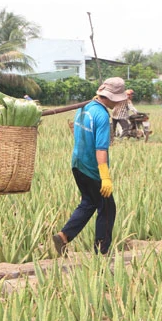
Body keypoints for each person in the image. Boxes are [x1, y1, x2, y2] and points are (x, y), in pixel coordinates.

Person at [52, 77, 127, 256]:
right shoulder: (101, 116)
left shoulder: (84, 108)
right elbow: (101, 149)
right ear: (110, 98)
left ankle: (63, 236)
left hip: (77, 164)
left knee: (89, 202)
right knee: (107, 208)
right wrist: (105, 177)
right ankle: (101, 252)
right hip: (92, 169)